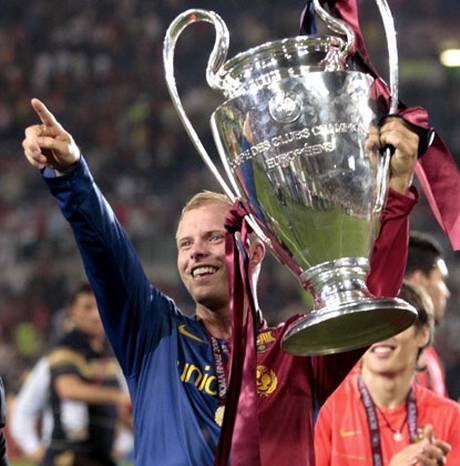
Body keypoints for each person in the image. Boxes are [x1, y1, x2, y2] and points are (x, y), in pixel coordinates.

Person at [22, 98, 420, 466]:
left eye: (214, 237)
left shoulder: (299, 350)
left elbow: (368, 299)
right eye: (185, 244)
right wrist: (73, 175)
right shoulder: (153, 336)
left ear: (255, 251)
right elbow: (108, 256)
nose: (195, 251)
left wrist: (397, 187)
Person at [314, 282, 460, 466]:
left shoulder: (451, 417)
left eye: (394, 323)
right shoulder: (327, 410)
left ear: (423, 334)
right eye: (371, 325)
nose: (381, 335)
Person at [24, 282, 131, 466]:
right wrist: (118, 397)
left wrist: (128, 439)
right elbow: (68, 389)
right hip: (68, 457)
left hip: (102, 457)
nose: (95, 315)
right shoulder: (64, 348)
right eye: (87, 307)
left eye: (99, 306)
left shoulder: (110, 354)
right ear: (72, 312)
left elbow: (122, 411)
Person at [405, 231, 450, 396]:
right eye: (441, 280)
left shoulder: (430, 356)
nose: (446, 293)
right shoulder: (385, 352)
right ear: (419, 280)